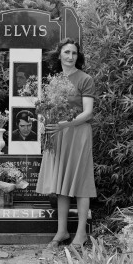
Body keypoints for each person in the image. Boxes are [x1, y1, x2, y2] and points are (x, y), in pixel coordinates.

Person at [36, 37, 96, 250]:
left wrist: (64, 124)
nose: (70, 56)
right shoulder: (55, 80)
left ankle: (81, 235)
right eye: (67, 52)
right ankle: (62, 231)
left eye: (74, 53)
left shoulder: (85, 79)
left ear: (78, 56)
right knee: (61, 185)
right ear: (59, 54)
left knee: (80, 184)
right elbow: (49, 109)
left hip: (78, 134)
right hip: (59, 135)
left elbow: (88, 112)